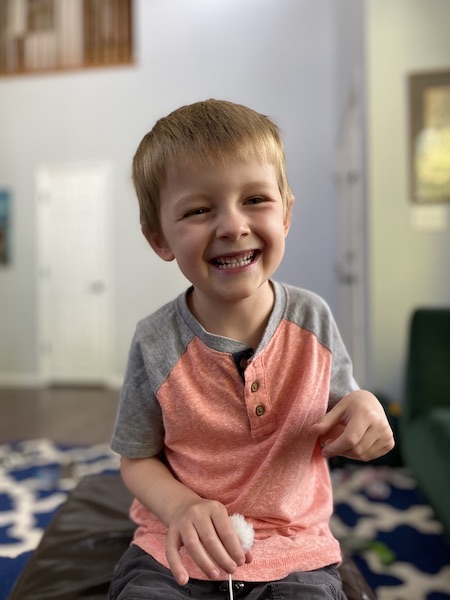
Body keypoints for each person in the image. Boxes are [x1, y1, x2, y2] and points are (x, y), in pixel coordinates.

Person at [109, 99, 394, 600]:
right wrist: (179, 507)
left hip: (294, 547)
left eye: (256, 200)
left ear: (286, 212)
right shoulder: (155, 342)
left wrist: (365, 408)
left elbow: (344, 408)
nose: (232, 226)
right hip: (174, 547)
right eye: (199, 210)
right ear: (159, 238)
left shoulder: (313, 319)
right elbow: (136, 459)